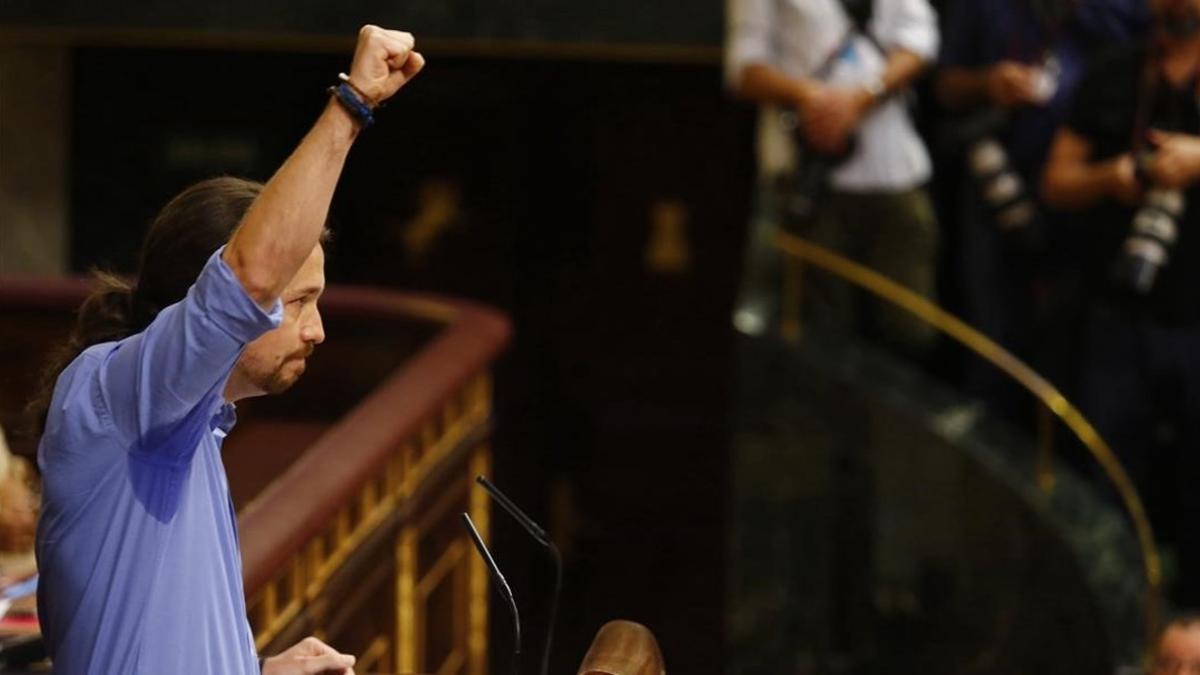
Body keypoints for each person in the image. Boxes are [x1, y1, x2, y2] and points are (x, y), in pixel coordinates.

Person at [27, 25, 425, 674]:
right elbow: (249, 276)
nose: (317, 329)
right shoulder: (115, 398)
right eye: (296, 303)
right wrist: (352, 106)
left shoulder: (188, 419)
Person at [1042, 0, 1200, 608]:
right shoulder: (1114, 71)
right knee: (1110, 470)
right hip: (1117, 312)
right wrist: (1113, 177)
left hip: (1195, 316)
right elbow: (1056, 183)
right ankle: (1117, 605)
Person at [935, 0, 1146, 417]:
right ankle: (990, 439)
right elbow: (945, 87)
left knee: (1076, 343)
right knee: (994, 330)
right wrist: (989, 83)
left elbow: (1153, 59)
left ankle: (1062, 450)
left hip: (1092, 189)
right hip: (998, 180)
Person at [725, 0, 940, 354]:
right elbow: (743, 68)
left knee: (909, 327)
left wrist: (861, 97)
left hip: (894, 168)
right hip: (810, 179)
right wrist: (812, 98)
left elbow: (921, 37)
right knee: (818, 331)